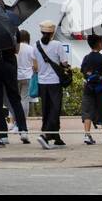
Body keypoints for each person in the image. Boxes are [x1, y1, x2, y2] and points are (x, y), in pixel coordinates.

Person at [32, 19, 68, 148]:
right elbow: (64, 62)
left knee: (46, 109)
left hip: (42, 82)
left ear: (41, 32)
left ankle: (56, 136)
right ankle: (46, 135)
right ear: (52, 33)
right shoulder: (57, 45)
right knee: (55, 109)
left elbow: (34, 67)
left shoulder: (35, 46)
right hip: (55, 82)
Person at [0, 42, 30, 145]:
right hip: (10, 64)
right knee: (15, 99)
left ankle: (3, 135)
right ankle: (23, 130)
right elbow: (16, 50)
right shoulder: (12, 28)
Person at [80, 33, 102, 144]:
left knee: (87, 112)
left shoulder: (86, 58)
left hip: (88, 89)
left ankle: (87, 135)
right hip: (101, 89)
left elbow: (84, 73)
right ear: (99, 44)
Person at [16, 30, 35, 124]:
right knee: (25, 99)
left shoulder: (15, 47)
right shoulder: (31, 48)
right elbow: (35, 64)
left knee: (15, 99)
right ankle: (23, 122)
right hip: (28, 76)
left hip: (16, 76)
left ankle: (14, 122)